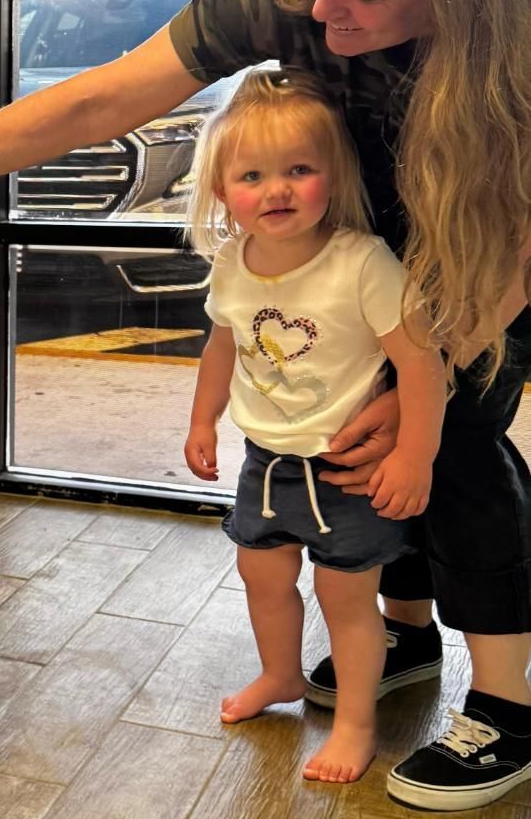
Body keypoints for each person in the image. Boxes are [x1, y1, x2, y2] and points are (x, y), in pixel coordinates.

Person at [0, 0, 531, 812]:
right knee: (351, 443)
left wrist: (436, 371)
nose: (319, 6)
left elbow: (521, 246)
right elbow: (105, 97)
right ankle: (406, 631)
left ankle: (508, 704)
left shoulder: (521, 29)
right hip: (365, 228)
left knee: (446, 445)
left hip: (490, 251)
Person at [182, 69, 445, 783]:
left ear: (332, 175)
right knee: (260, 573)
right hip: (263, 462)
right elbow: (222, 344)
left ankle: (356, 722)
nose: (276, 189)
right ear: (219, 190)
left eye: (299, 169)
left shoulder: (361, 261)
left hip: (345, 470)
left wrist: (414, 454)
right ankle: (280, 674)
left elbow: (422, 365)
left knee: (345, 598)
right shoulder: (234, 262)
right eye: (252, 175)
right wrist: (202, 417)